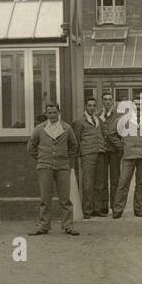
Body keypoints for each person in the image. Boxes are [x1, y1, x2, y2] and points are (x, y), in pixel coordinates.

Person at [27, 102, 79, 236]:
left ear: (58, 112)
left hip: (63, 167)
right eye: (49, 113)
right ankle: (43, 226)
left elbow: (74, 145)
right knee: (45, 198)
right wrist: (41, 158)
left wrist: (67, 159)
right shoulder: (40, 128)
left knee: (65, 198)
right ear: (46, 114)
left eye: (54, 112)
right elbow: (31, 147)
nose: (52, 115)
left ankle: (68, 225)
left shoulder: (66, 128)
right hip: (45, 167)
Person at [112, 97, 142, 218]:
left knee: (141, 183)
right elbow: (111, 133)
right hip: (128, 155)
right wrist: (121, 145)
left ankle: (138, 209)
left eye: (141, 105)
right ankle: (118, 209)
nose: (138, 108)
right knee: (123, 182)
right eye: (135, 105)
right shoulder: (123, 119)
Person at [74, 97, 107, 218]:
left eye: (93, 105)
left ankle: (97, 209)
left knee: (99, 183)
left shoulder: (99, 120)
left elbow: (103, 135)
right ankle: (87, 210)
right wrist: (78, 156)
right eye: (89, 105)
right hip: (87, 155)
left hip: (100, 153)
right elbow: (76, 140)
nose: (91, 108)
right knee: (88, 183)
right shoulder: (79, 122)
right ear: (85, 107)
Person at [99, 91, 123, 216]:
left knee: (115, 179)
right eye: (105, 99)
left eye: (109, 99)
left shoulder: (119, 115)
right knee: (102, 180)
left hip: (114, 151)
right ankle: (104, 206)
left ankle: (115, 206)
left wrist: (120, 146)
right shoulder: (98, 115)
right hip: (102, 151)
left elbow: (122, 133)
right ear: (102, 101)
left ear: (113, 101)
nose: (107, 101)